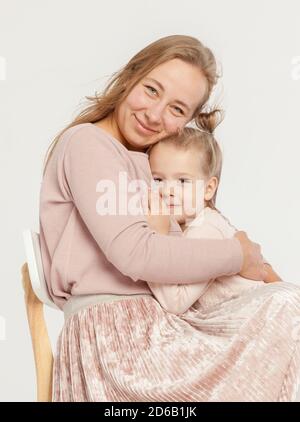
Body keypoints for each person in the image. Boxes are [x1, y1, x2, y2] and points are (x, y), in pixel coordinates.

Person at [39, 35, 300, 402]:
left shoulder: (146, 162)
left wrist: (251, 266)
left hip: (156, 330)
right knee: (287, 308)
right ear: (130, 77)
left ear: (189, 122)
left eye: (177, 110)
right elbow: (136, 253)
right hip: (119, 344)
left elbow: (185, 238)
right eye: (151, 90)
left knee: (284, 306)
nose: (155, 114)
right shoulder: (88, 144)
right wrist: (238, 254)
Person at [146, 115, 284, 315]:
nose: (167, 191)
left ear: (208, 189)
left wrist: (155, 237)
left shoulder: (205, 230)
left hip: (264, 317)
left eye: (183, 181)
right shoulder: (189, 227)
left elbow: (174, 303)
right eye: (158, 179)